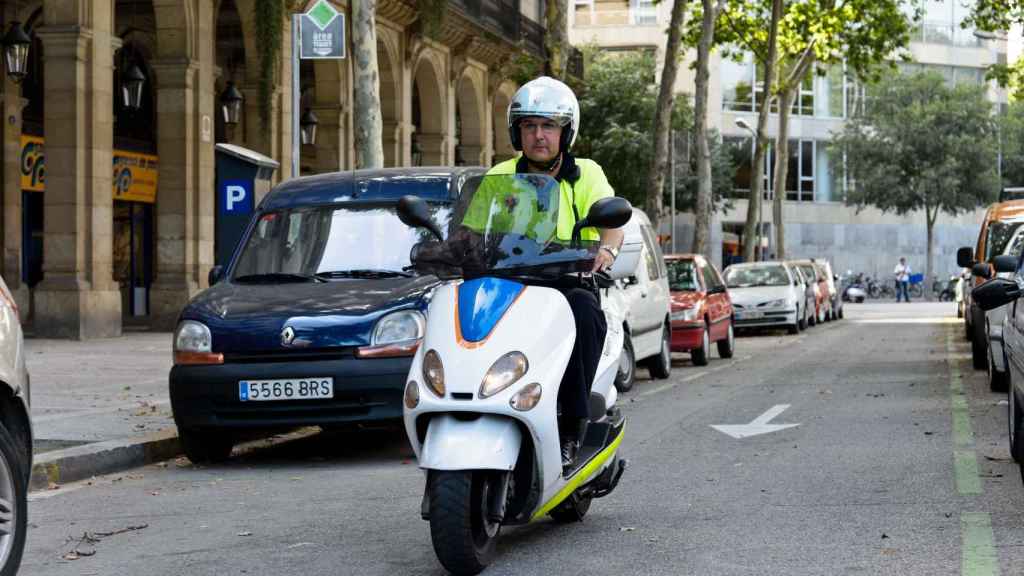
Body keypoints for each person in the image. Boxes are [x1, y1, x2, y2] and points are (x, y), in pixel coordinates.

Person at [488, 76, 624, 472]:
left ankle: (571, 425)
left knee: (585, 313)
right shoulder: (499, 177)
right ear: (518, 132)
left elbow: (610, 217)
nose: (539, 135)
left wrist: (607, 250)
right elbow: (471, 231)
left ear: (565, 132)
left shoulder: (586, 173)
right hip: (509, 283)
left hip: (567, 283)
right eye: (530, 126)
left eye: (548, 126)